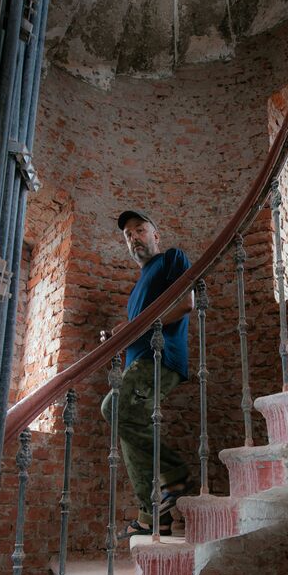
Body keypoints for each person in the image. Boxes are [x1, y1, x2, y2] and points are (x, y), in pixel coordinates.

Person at [101, 209, 193, 538]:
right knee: (127, 426)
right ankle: (152, 516)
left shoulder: (172, 259)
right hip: (137, 361)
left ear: (156, 235)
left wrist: (137, 326)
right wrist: (120, 334)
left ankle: (174, 472)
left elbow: (185, 303)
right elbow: (138, 325)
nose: (134, 238)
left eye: (140, 230)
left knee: (112, 408)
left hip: (161, 357)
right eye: (128, 236)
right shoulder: (138, 287)